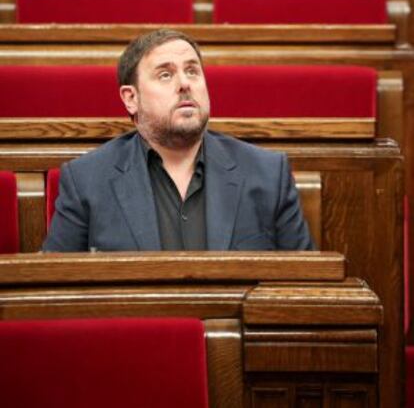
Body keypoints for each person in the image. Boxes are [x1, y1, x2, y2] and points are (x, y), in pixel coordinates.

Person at [43, 29, 315, 252]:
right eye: (165, 74)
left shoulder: (267, 173)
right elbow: (56, 289)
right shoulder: (87, 180)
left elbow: (305, 285)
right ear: (131, 98)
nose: (185, 83)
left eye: (192, 71)